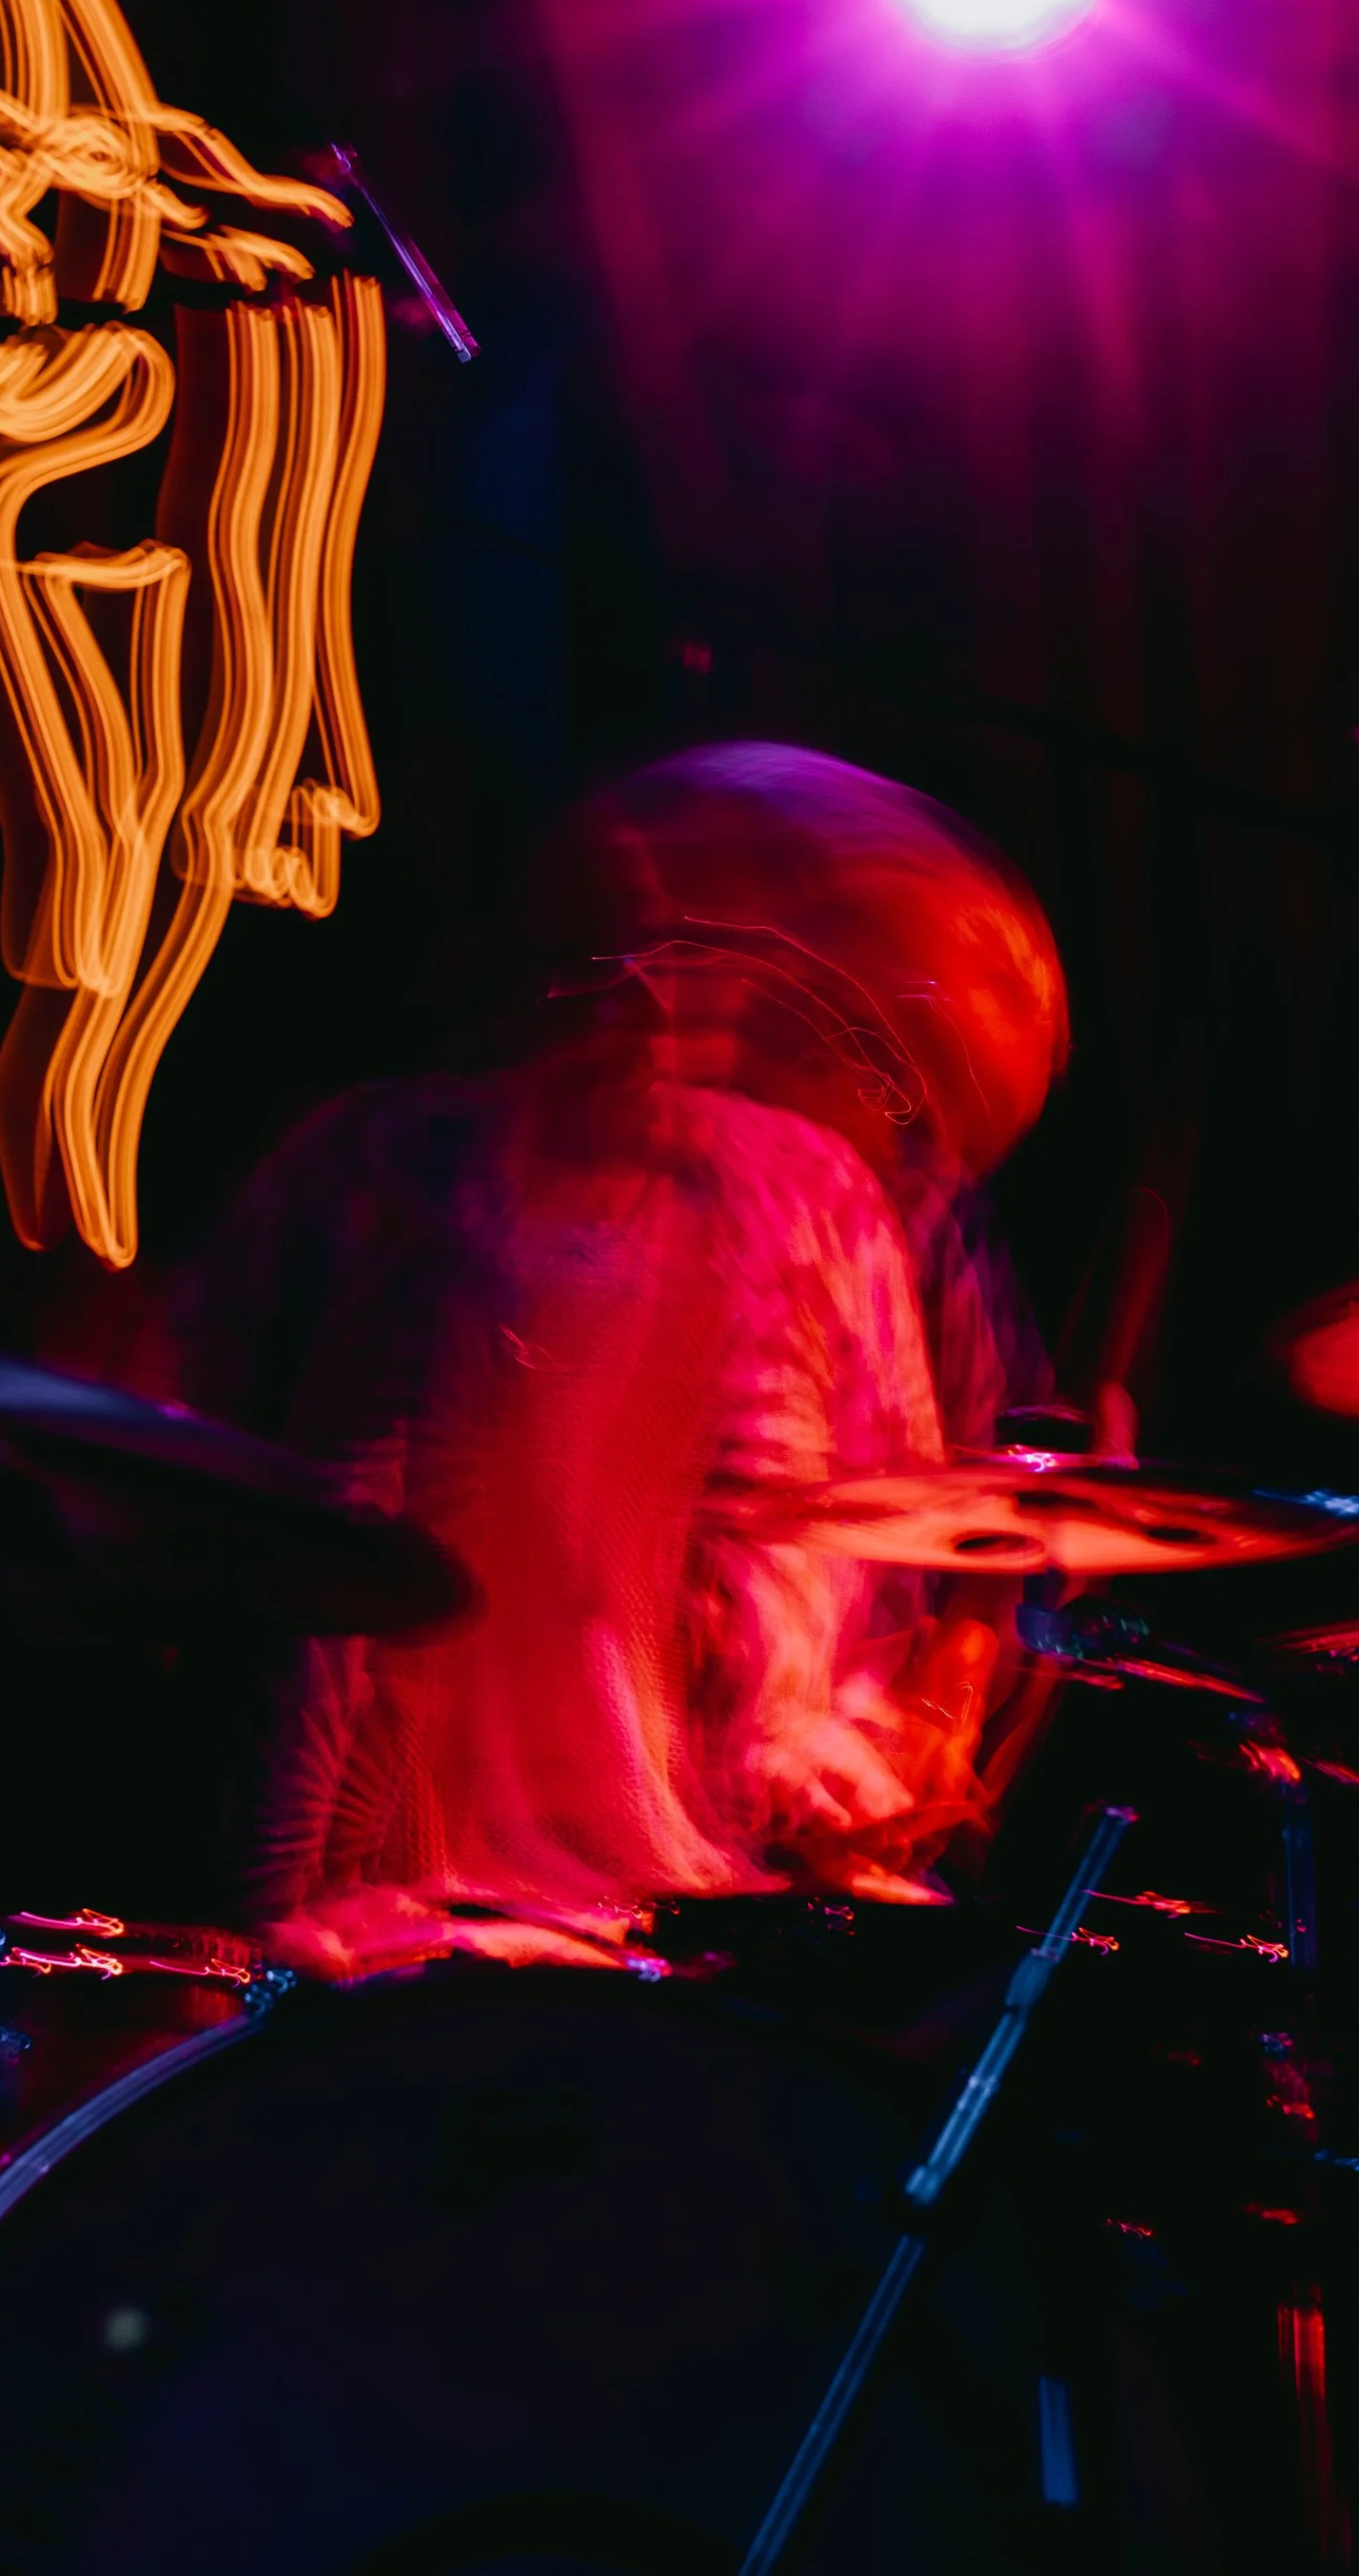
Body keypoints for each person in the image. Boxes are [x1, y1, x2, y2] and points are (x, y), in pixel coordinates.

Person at [133, 744, 1070, 1971]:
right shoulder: (379, 1167)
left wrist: (871, 1730)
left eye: (702, 957)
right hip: (377, 1914)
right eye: (622, 947)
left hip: (690, 1907)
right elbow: (178, 1487)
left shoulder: (810, 1200)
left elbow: (877, 1542)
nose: (656, 994)